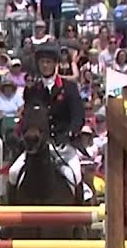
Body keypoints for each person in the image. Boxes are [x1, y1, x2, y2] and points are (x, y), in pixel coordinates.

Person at [6, 45, 86, 194]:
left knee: (75, 176)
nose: (45, 65)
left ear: (55, 64)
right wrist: (20, 134)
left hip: (62, 145)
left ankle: (82, 207)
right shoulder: (32, 90)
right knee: (13, 173)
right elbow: (27, 116)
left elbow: (78, 115)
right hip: (38, 146)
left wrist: (71, 132)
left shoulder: (69, 87)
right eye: (42, 62)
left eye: (48, 62)